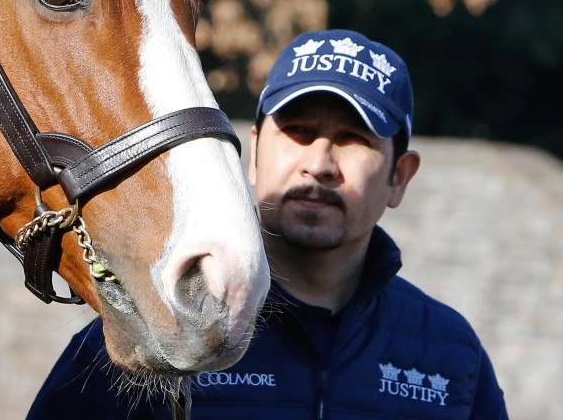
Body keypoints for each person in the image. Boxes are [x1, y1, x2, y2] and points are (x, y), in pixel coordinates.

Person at [27, 29, 508, 419]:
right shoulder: (153, 336)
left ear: (399, 177)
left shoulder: (449, 355)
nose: (318, 164)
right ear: (254, 152)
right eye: (298, 132)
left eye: (353, 139)